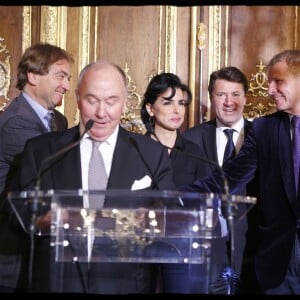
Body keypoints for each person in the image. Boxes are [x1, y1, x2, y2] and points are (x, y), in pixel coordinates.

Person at [9, 60, 174, 294]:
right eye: (92, 100)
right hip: (57, 283)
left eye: (111, 101)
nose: (101, 112)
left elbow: (169, 218)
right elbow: (14, 214)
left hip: (125, 285)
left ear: (125, 102)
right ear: (77, 98)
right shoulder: (42, 151)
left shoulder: (151, 154)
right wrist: (42, 220)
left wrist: (145, 222)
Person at [183, 50, 300, 295]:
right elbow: (227, 179)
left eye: (278, 81)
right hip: (278, 263)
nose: (269, 90)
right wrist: (176, 197)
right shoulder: (264, 128)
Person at [0, 43, 73, 293]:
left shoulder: (59, 120)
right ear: (33, 76)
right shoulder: (17, 122)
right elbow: (55, 171)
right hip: (13, 252)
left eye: (68, 78)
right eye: (60, 76)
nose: (67, 85)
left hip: (43, 244)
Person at [183, 66, 259, 294]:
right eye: (221, 94)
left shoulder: (263, 136)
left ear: (245, 98)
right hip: (207, 249)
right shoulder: (191, 139)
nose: (229, 102)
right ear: (211, 98)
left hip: (253, 247)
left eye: (236, 94)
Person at [140, 72, 210, 293]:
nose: (177, 110)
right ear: (151, 108)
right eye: (167, 103)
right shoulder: (134, 149)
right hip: (140, 250)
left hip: (182, 250)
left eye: (181, 103)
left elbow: (206, 205)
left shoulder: (195, 153)